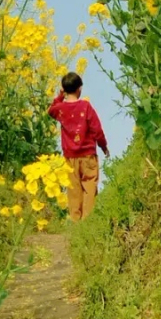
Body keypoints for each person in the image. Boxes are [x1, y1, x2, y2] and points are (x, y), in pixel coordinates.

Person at [48, 71, 109, 221]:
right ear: (79, 89)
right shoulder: (86, 107)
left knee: (74, 190)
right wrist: (103, 146)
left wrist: (59, 96)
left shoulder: (60, 109)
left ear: (64, 89)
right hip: (88, 155)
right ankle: (87, 222)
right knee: (89, 188)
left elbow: (51, 110)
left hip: (70, 158)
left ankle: (76, 222)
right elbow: (96, 129)